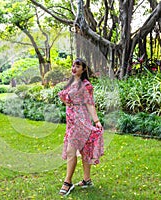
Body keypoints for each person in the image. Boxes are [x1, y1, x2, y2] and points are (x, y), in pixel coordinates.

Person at [58, 58, 104, 196]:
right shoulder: (71, 83)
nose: (74, 68)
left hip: (81, 121)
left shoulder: (86, 85)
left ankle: (67, 182)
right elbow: (63, 97)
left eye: (77, 66)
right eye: (73, 65)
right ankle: (87, 180)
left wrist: (96, 121)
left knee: (71, 151)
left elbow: (90, 104)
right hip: (71, 122)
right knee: (84, 150)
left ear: (83, 69)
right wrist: (68, 103)